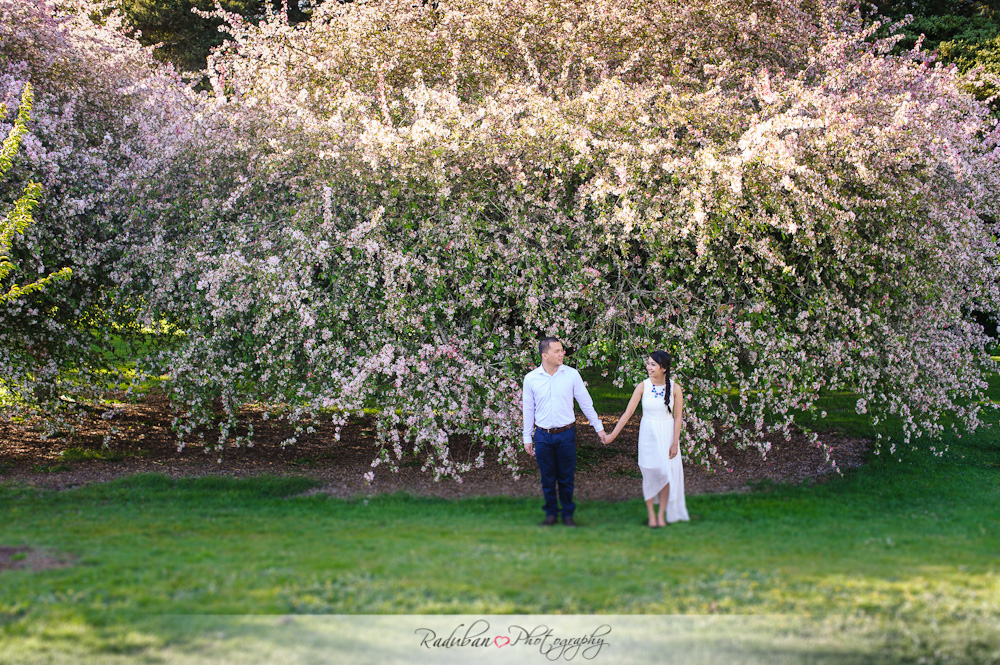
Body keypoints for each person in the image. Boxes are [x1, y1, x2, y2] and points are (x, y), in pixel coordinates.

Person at [522, 337, 607, 527]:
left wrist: (599, 428)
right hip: (542, 436)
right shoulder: (531, 379)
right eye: (557, 351)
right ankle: (551, 514)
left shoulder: (572, 375)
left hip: (566, 434)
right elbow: (528, 409)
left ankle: (568, 515)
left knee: (566, 478)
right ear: (545, 355)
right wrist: (527, 436)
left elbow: (586, 403)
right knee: (547, 478)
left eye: (562, 350)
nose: (562, 354)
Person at [604, 350, 690, 528]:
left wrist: (675, 442)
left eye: (653, 364)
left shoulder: (675, 388)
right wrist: (612, 435)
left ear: (663, 368)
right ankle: (651, 513)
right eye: (648, 363)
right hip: (648, 435)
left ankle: (661, 514)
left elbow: (678, 417)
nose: (648, 367)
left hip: (666, 434)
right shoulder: (643, 386)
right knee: (649, 473)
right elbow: (628, 413)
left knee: (665, 474)